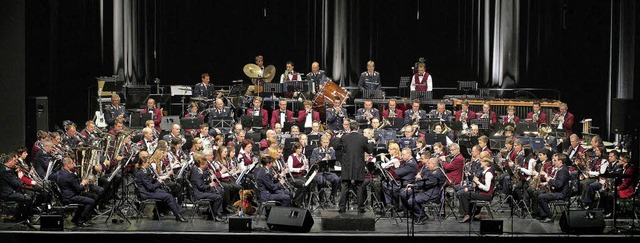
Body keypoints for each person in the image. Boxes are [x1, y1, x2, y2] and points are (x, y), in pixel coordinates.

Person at [133, 153, 187, 222]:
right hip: (146, 193)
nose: (149, 164)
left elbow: (150, 181)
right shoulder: (142, 173)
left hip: (149, 191)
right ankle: (178, 215)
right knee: (168, 196)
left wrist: (156, 179)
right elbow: (150, 187)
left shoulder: (145, 171)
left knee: (167, 192)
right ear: (143, 163)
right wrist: (158, 182)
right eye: (147, 163)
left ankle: (158, 213)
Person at [337, 121, 375, 213]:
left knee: (345, 186)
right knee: (359, 186)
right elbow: (369, 150)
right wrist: (372, 143)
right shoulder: (363, 138)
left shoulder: (344, 137)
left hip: (347, 166)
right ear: (358, 129)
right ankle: (360, 208)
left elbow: (336, 147)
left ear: (350, 128)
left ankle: (342, 208)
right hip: (358, 166)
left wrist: (337, 138)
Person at [56, 157, 105, 227]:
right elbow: (78, 189)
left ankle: (76, 218)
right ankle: (81, 220)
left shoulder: (61, 172)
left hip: (67, 194)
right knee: (91, 201)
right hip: (70, 197)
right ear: (68, 165)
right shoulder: (69, 175)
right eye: (72, 163)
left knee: (92, 196)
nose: (74, 164)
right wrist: (83, 183)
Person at [401, 157, 445, 224]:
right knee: (409, 197)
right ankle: (419, 215)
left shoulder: (436, 173)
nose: (427, 165)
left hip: (431, 194)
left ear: (433, 164)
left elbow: (426, 184)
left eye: (429, 163)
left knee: (411, 201)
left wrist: (414, 185)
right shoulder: (433, 171)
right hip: (428, 191)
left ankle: (422, 216)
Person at [0, 153, 36, 227]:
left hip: (11, 191)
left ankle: (23, 216)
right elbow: (16, 183)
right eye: (14, 160)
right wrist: (20, 176)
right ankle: (23, 218)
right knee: (28, 198)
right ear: (9, 161)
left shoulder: (7, 169)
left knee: (30, 194)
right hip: (7, 194)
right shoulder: (6, 171)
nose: (16, 162)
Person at [458, 157, 495, 223]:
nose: (480, 163)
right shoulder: (485, 172)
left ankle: (466, 214)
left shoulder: (488, 174)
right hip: (482, 193)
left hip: (486, 195)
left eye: (482, 162)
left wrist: (477, 182)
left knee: (464, 195)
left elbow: (487, 188)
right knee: (465, 193)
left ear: (486, 163)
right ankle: (468, 213)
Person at [190, 151, 224, 221]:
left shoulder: (200, 169)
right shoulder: (196, 172)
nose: (206, 165)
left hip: (202, 190)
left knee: (220, 190)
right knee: (218, 197)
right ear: (201, 164)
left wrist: (209, 178)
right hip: (199, 193)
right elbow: (201, 186)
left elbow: (203, 180)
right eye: (205, 164)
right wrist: (210, 185)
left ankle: (214, 212)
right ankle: (215, 215)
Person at [537, 153, 571, 223]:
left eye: (555, 160)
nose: (553, 161)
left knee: (541, 197)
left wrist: (549, 180)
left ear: (560, 161)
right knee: (538, 193)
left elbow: (558, 184)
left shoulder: (562, 171)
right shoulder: (560, 169)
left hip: (561, 194)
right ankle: (543, 215)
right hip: (557, 191)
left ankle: (549, 216)